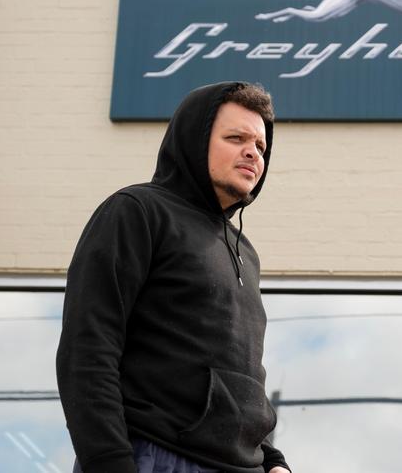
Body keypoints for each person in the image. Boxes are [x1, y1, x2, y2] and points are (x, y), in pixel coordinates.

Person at [56, 81, 290, 473]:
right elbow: (88, 348)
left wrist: (273, 460)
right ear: (194, 142)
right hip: (153, 454)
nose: (252, 152)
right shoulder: (137, 212)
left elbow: (247, 377)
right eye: (236, 138)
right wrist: (110, 463)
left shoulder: (245, 252)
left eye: (261, 147)